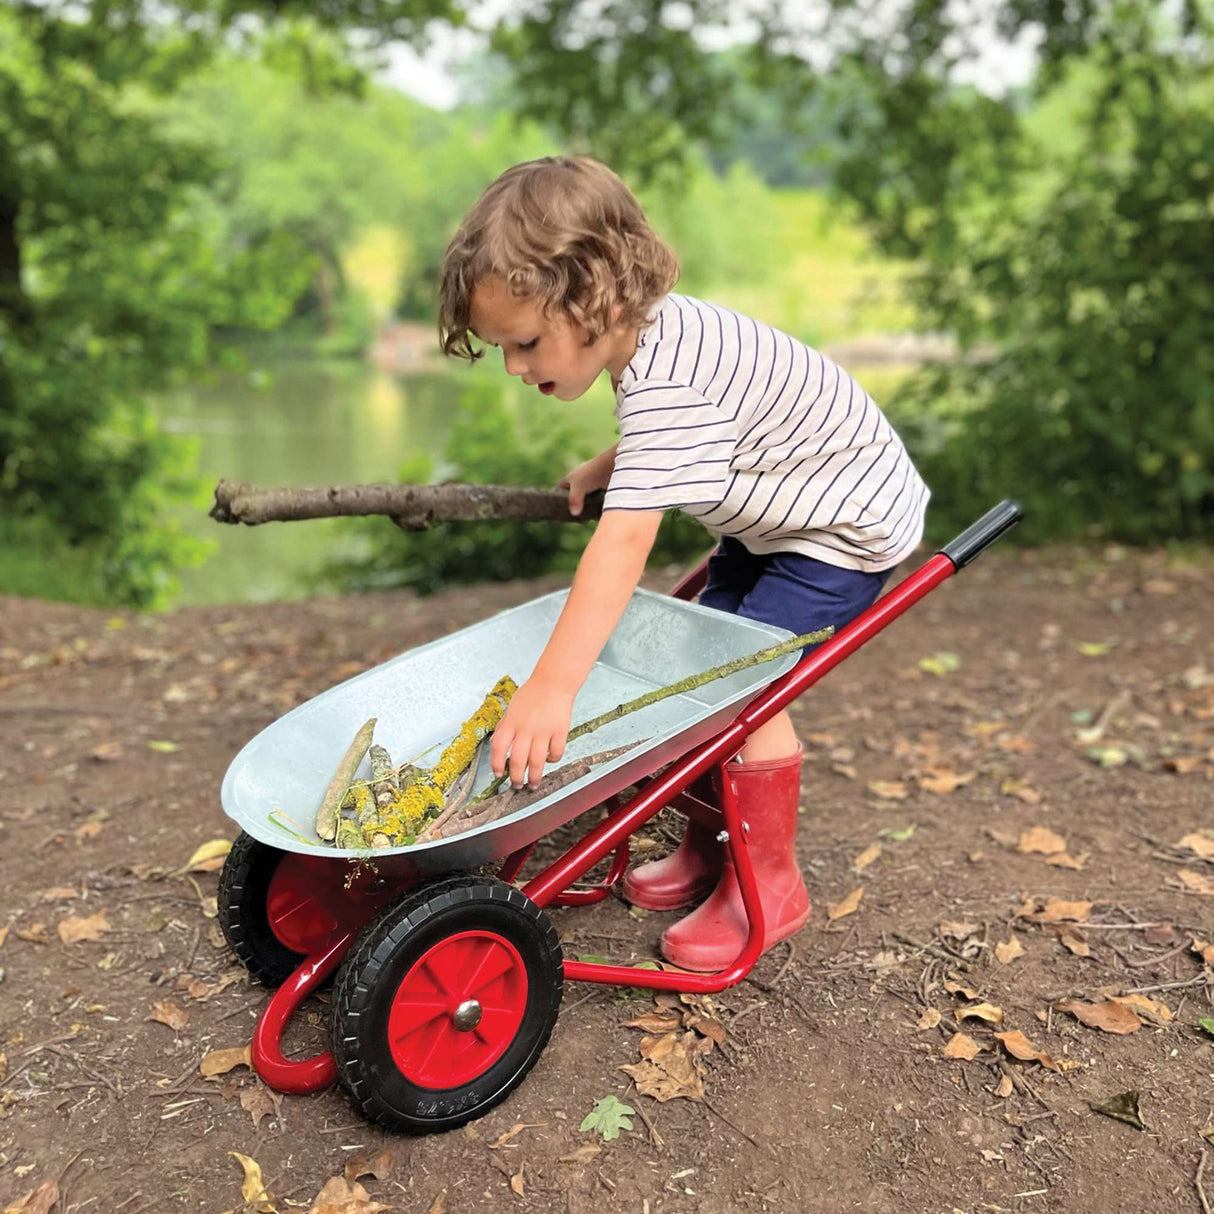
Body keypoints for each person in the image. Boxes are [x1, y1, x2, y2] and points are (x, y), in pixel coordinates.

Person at [438, 156, 929, 971]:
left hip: (838, 529)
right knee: (708, 673)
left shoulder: (671, 378)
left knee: (743, 686)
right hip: (775, 515)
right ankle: (709, 850)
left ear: (598, 297)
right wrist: (613, 462)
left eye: (524, 342)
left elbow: (624, 543)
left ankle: (766, 885)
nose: (516, 367)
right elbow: (685, 426)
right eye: (503, 349)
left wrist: (553, 687)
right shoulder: (657, 339)